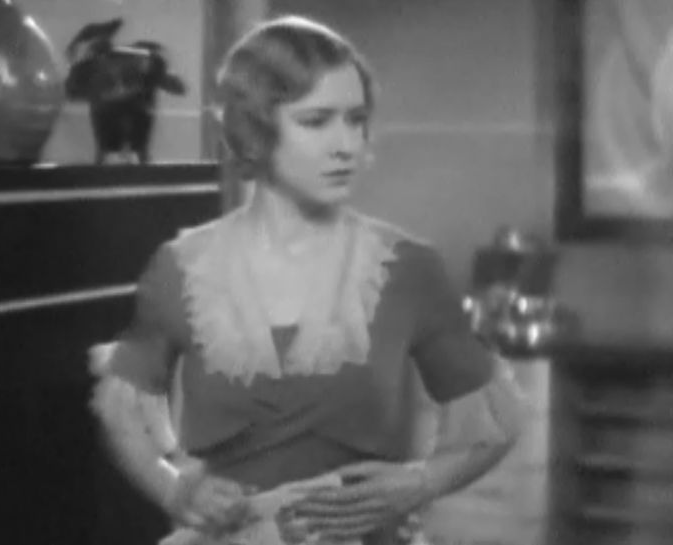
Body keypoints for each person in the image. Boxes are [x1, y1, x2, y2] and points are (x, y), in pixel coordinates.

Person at [89, 14, 527, 545]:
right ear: (257, 129)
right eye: (317, 121)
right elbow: (122, 411)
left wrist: (418, 484)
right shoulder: (182, 267)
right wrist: (177, 491)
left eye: (356, 120)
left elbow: (493, 423)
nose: (347, 144)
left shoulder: (407, 268)